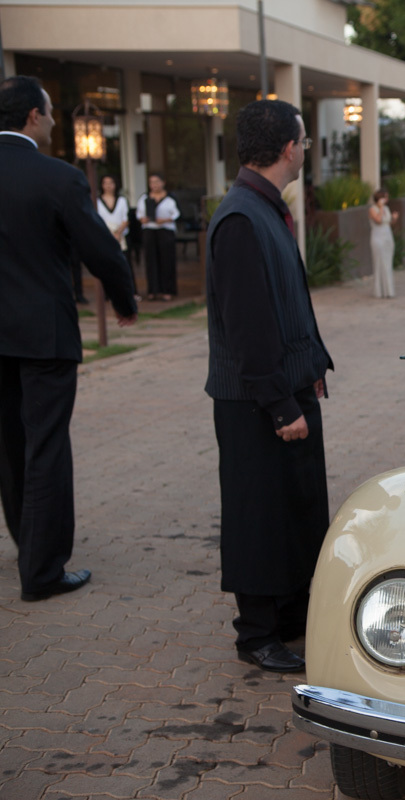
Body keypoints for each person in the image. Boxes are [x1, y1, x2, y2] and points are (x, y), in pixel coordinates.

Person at [205, 99, 334, 673]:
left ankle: (288, 617)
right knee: (258, 514)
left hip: (285, 387)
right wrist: (282, 407)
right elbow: (248, 326)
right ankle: (256, 633)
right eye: (304, 142)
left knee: (295, 508)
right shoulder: (240, 218)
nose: (305, 150)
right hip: (257, 400)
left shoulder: (263, 208)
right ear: (289, 148)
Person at [0, 76, 138, 601]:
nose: (56, 120)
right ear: (33, 117)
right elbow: (100, 251)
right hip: (44, 334)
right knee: (46, 447)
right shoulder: (56, 177)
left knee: (11, 447)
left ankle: (27, 546)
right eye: (52, 112)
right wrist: (125, 300)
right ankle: (42, 571)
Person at [137, 173, 180, 301]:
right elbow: (139, 214)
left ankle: (168, 290)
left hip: (165, 230)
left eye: (157, 182)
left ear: (163, 182)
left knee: (167, 260)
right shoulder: (144, 198)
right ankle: (153, 290)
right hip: (150, 230)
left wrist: (166, 220)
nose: (154, 185)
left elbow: (177, 214)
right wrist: (142, 219)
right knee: (151, 260)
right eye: (151, 182)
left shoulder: (170, 198)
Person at [97, 174, 137, 301]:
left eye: (111, 183)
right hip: (105, 236)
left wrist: (118, 233)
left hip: (121, 235)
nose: (108, 186)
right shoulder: (96, 201)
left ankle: (129, 292)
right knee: (107, 266)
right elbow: (97, 219)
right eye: (105, 183)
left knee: (125, 264)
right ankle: (109, 293)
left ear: (115, 185)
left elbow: (126, 219)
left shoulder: (122, 200)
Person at [368, 188, 398, 299]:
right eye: (385, 197)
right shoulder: (373, 209)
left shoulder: (387, 208)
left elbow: (388, 223)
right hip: (377, 238)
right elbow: (378, 220)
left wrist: (394, 218)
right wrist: (380, 208)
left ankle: (388, 290)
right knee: (379, 262)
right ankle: (379, 291)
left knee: (387, 263)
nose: (387, 199)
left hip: (387, 237)